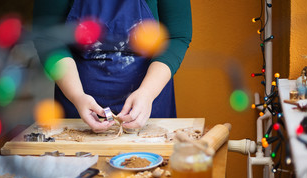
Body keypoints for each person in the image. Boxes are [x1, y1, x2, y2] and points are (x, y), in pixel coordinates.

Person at [33, 0, 192, 132]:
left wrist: (148, 92)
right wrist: (76, 95)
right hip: (77, 101)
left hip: (149, 99)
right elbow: (48, 38)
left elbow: (176, 37)